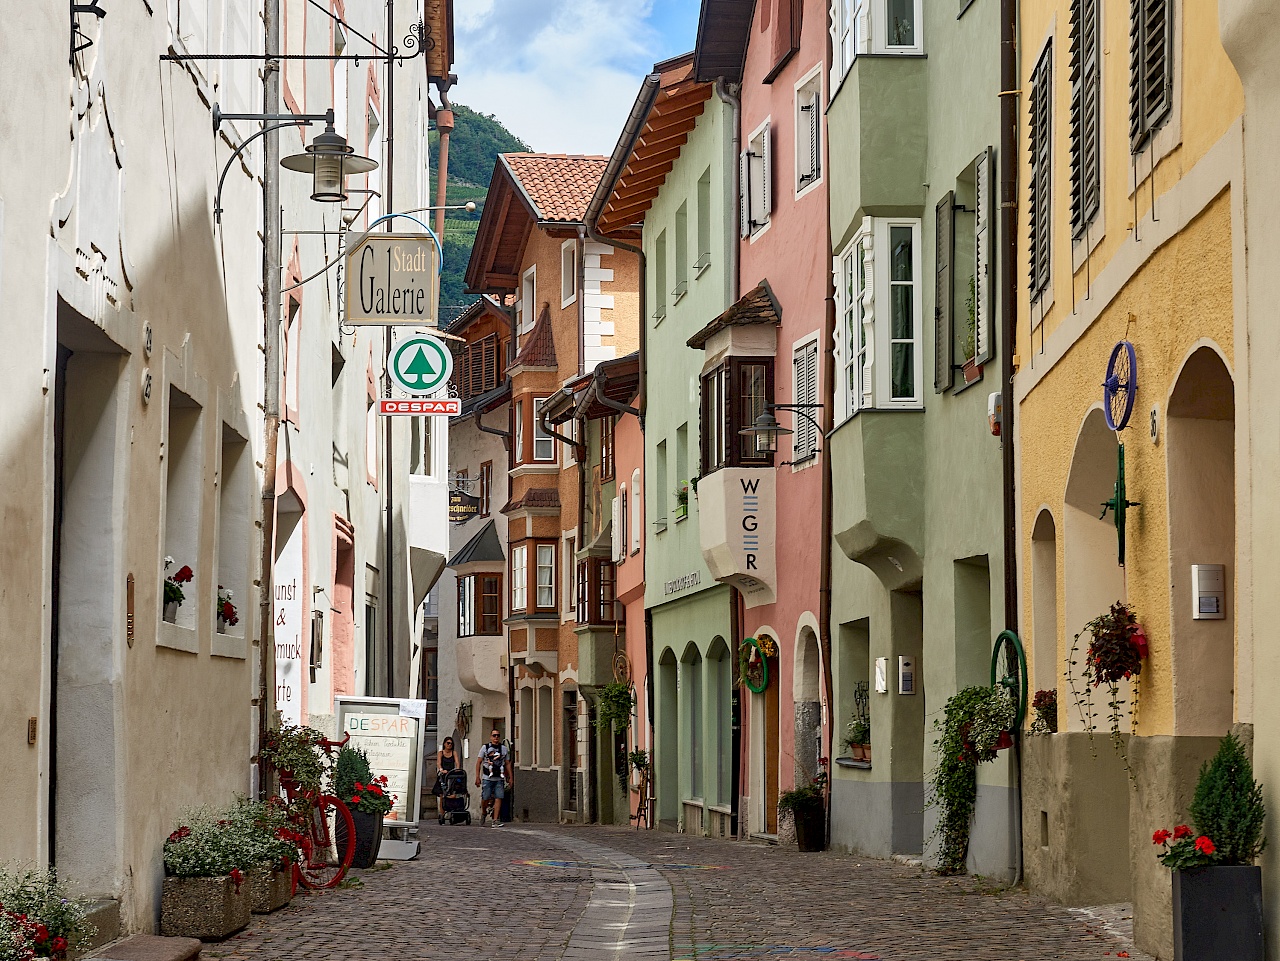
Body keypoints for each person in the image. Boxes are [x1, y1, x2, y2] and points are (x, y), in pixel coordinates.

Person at [475, 729, 512, 826]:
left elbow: (507, 763)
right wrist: (477, 777)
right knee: (485, 797)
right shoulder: (485, 748)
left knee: (499, 797)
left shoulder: (503, 749)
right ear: (491, 737)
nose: (496, 737)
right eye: (494, 735)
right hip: (487, 777)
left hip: (499, 778)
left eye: (498, 735)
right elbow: (479, 762)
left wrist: (510, 777)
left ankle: (495, 820)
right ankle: (484, 812)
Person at [432, 737, 459, 812]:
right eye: (448, 743)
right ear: (444, 744)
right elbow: (438, 763)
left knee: (454, 791)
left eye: (451, 743)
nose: (449, 745)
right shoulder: (441, 753)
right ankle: (442, 813)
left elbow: (457, 762)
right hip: (444, 774)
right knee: (441, 795)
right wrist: (441, 769)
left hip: (452, 774)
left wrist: (457, 769)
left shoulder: (454, 752)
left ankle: (453, 810)